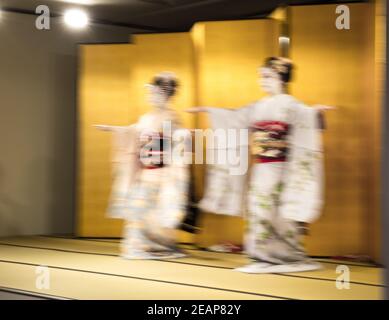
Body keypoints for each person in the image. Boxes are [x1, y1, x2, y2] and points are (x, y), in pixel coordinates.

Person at [187, 57, 332, 273]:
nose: (262, 81)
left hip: (282, 168)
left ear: (281, 78)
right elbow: (235, 118)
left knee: (279, 212)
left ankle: (288, 255)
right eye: (261, 77)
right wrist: (210, 111)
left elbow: (308, 121)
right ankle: (261, 254)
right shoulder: (258, 106)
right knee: (258, 208)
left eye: (268, 76)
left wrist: (315, 113)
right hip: (262, 167)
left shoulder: (291, 104)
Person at [96, 72, 190, 260]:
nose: (151, 97)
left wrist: (174, 168)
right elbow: (134, 132)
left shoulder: (172, 117)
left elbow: (178, 143)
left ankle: (160, 246)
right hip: (145, 172)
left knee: (156, 213)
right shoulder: (147, 117)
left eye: (155, 93)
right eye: (150, 93)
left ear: (166, 94)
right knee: (138, 211)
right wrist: (115, 130)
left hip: (163, 172)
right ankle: (140, 246)